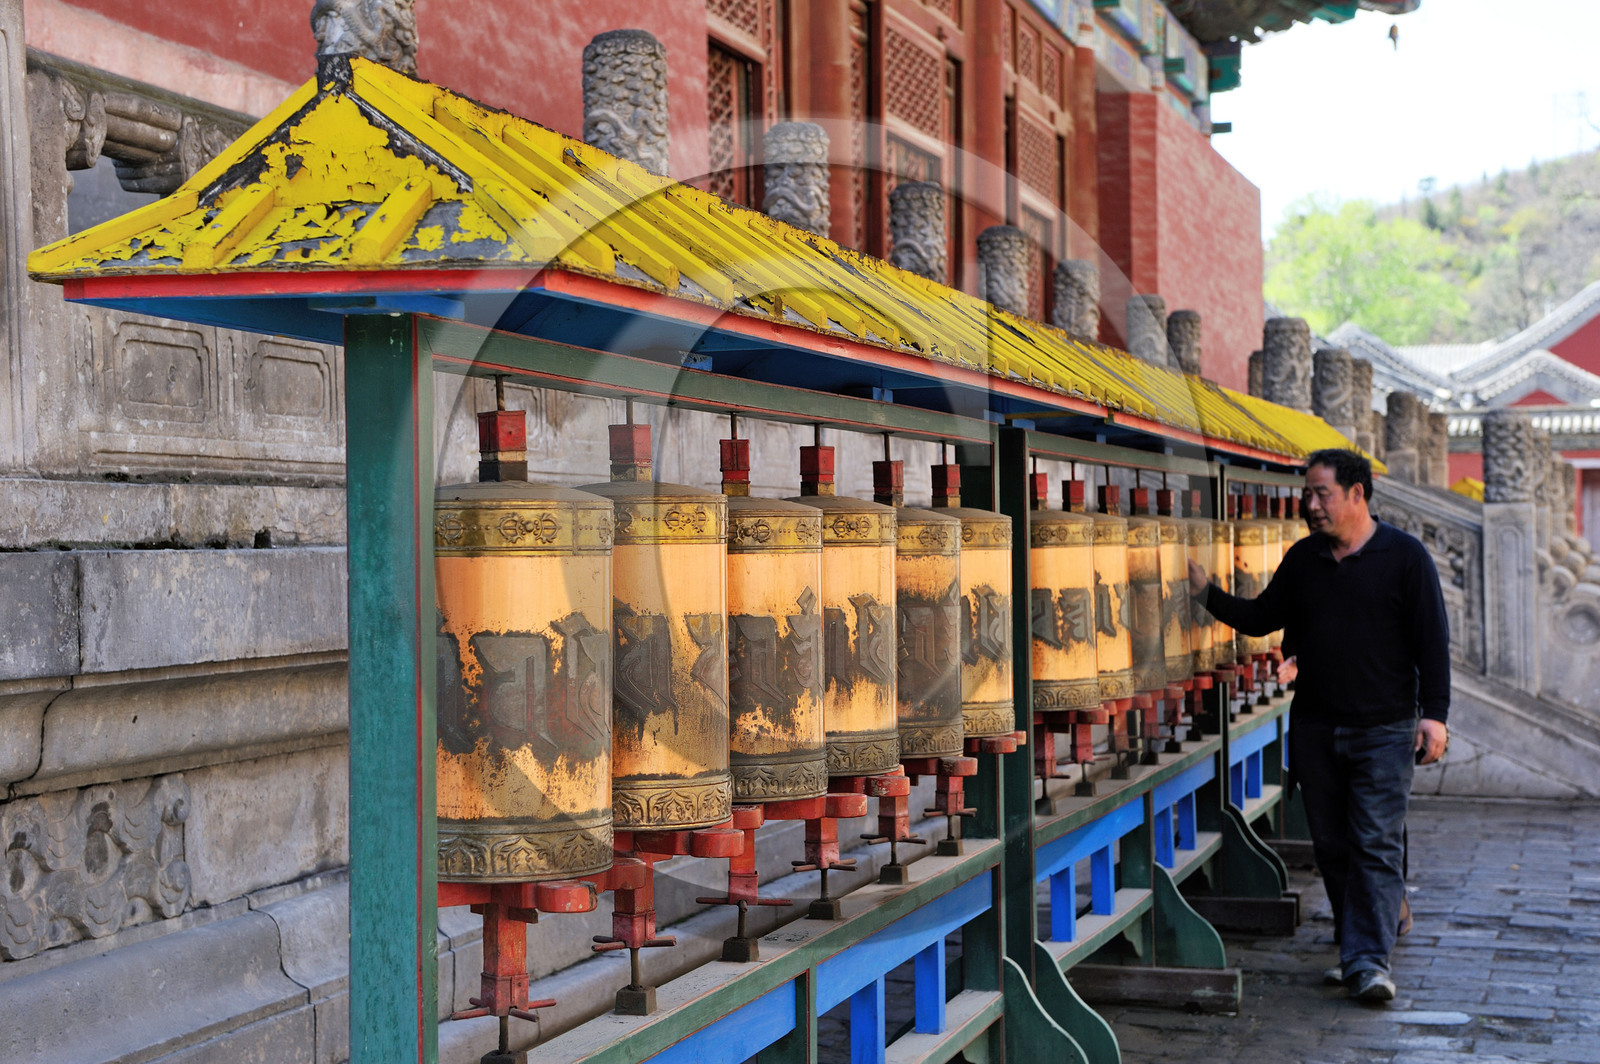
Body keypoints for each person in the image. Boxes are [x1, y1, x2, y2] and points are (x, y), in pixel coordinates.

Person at [1186, 448, 1449, 1004]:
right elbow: (1264, 616)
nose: (1310, 504)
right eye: (1307, 494)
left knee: (1375, 842)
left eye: (1320, 493)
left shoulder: (1405, 557)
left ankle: (1367, 961)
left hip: (1384, 727)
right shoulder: (1305, 559)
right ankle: (1362, 944)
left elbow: (1433, 642)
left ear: (1357, 494)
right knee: (1332, 845)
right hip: (1316, 726)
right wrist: (1204, 592)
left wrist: (1435, 716)